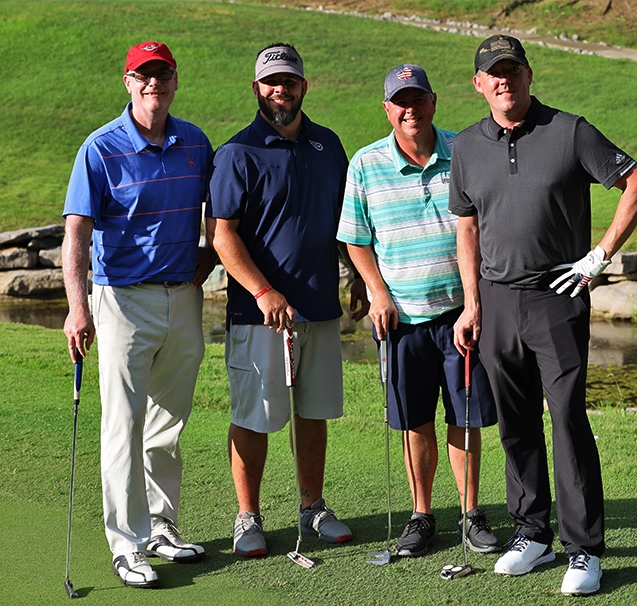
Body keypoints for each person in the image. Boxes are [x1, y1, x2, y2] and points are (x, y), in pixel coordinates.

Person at [450, 34, 637, 595]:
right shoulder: (467, 147)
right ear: (478, 84)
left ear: (528, 75)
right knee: (515, 422)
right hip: (494, 300)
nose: (503, 80)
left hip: (557, 297)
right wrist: (471, 303)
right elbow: (467, 225)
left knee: (566, 418)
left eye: (512, 70)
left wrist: (600, 254)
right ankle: (532, 533)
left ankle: (583, 548)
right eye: (493, 73)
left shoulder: (569, 131)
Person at [205, 42, 367, 558]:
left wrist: (360, 276)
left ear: (304, 85)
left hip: (318, 305)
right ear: (256, 89)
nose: (281, 90)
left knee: (313, 411)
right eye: (271, 82)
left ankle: (312, 506)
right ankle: (247, 517)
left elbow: (346, 223)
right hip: (258, 315)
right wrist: (263, 289)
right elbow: (222, 234)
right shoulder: (236, 153)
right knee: (256, 414)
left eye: (290, 81)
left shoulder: (329, 145)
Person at [62, 41, 213, 589]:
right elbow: (76, 232)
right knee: (122, 425)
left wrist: (210, 256)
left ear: (176, 79)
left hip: (183, 297)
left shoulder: (195, 142)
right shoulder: (100, 149)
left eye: (163, 74)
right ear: (128, 81)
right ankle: (126, 545)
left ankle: (160, 527)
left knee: (167, 423)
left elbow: (219, 214)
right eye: (144, 75)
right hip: (121, 299)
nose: (154, 84)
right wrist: (78, 308)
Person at [337, 64, 499, 558]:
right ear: (387, 109)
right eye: (400, 101)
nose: (410, 109)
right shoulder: (366, 163)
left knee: (465, 417)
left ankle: (470, 515)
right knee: (414, 420)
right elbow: (355, 240)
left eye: (418, 99)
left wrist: (476, 302)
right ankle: (422, 515)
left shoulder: (466, 150)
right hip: (402, 318)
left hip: (460, 313)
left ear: (433, 102)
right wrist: (377, 292)